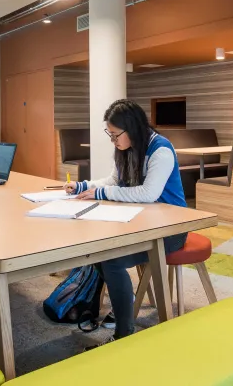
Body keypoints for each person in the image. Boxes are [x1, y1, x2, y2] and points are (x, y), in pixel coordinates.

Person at [65, 99, 187, 344]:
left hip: (170, 229)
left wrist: (101, 193)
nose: (113, 140)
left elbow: (148, 193)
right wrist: (84, 186)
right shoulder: (126, 148)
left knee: (112, 261)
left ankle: (124, 334)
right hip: (142, 222)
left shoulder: (161, 150)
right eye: (109, 135)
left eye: (115, 135)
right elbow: (113, 181)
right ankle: (126, 302)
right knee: (97, 250)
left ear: (132, 128)